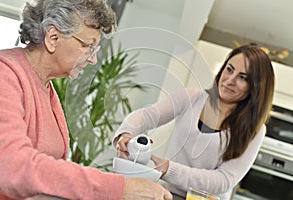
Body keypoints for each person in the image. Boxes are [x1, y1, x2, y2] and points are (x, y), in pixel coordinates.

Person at [0, 0, 173, 199]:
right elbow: (11, 166)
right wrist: (118, 188)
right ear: (53, 38)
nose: (93, 59)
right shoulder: (1, 74)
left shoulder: (46, 86)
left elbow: (50, 170)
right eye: (88, 46)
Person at [113, 44, 275, 199]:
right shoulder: (192, 98)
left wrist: (169, 169)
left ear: (256, 87)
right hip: (165, 194)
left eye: (242, 77)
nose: (230, 80)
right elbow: (148, 115)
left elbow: (223, 180)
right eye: (229, 69)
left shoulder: (255, 130)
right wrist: (126, 133)